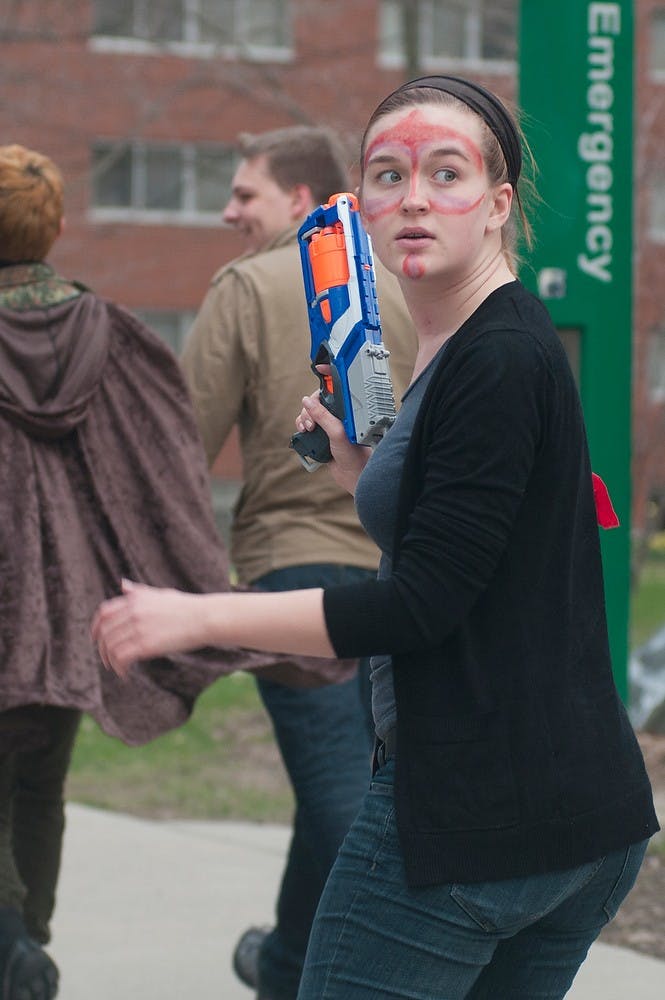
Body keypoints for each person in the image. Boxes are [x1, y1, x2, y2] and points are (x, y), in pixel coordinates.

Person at [93, 75, 660, 1000]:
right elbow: (475, 544)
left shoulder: (501, 360)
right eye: (388, 176)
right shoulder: (467, 340)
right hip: (565, 816)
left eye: (446, 173)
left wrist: (197, 617)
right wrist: (367, 475)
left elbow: (418, 604)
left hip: (477, 818)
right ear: (356, 205)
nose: (414, 199)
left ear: (498, 204)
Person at [0, 143, 322, 1000]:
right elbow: (163, 467)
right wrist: (180, 580)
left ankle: (10, 955)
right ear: (57, 229)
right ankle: (27, 942)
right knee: (39, 781)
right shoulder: (112, 335)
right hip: (69, 612)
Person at [179, 125, 416, 1000]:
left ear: (300, 202)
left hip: (294, 571)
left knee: (343, 803)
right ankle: (284, 965)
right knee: (353, 785)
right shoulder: (404, 282)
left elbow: (180, 450)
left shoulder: (245, 286)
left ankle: (356, 976)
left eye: (244, 194)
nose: (227, 209)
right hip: (399, 575)